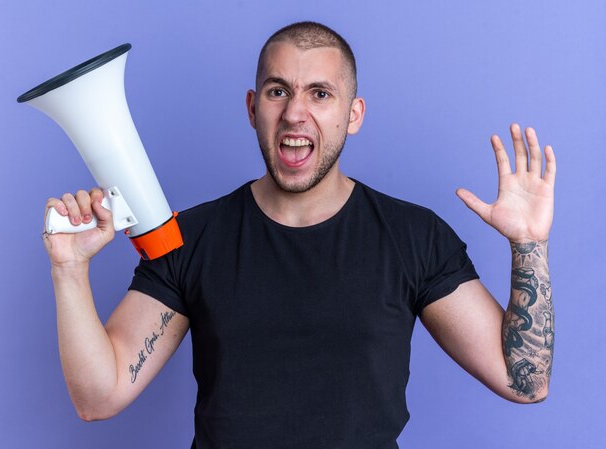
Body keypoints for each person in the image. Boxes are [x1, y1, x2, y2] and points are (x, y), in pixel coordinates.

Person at [43, 21, 556, 448]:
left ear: (353, 115)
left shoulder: (413, 237)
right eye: (277, 90)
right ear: (252, 107)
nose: (294, 111)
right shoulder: (188, 239)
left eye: (320, 93)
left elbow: (524, 383)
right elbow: (98, 397)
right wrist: (69, 268)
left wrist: (528, 245)